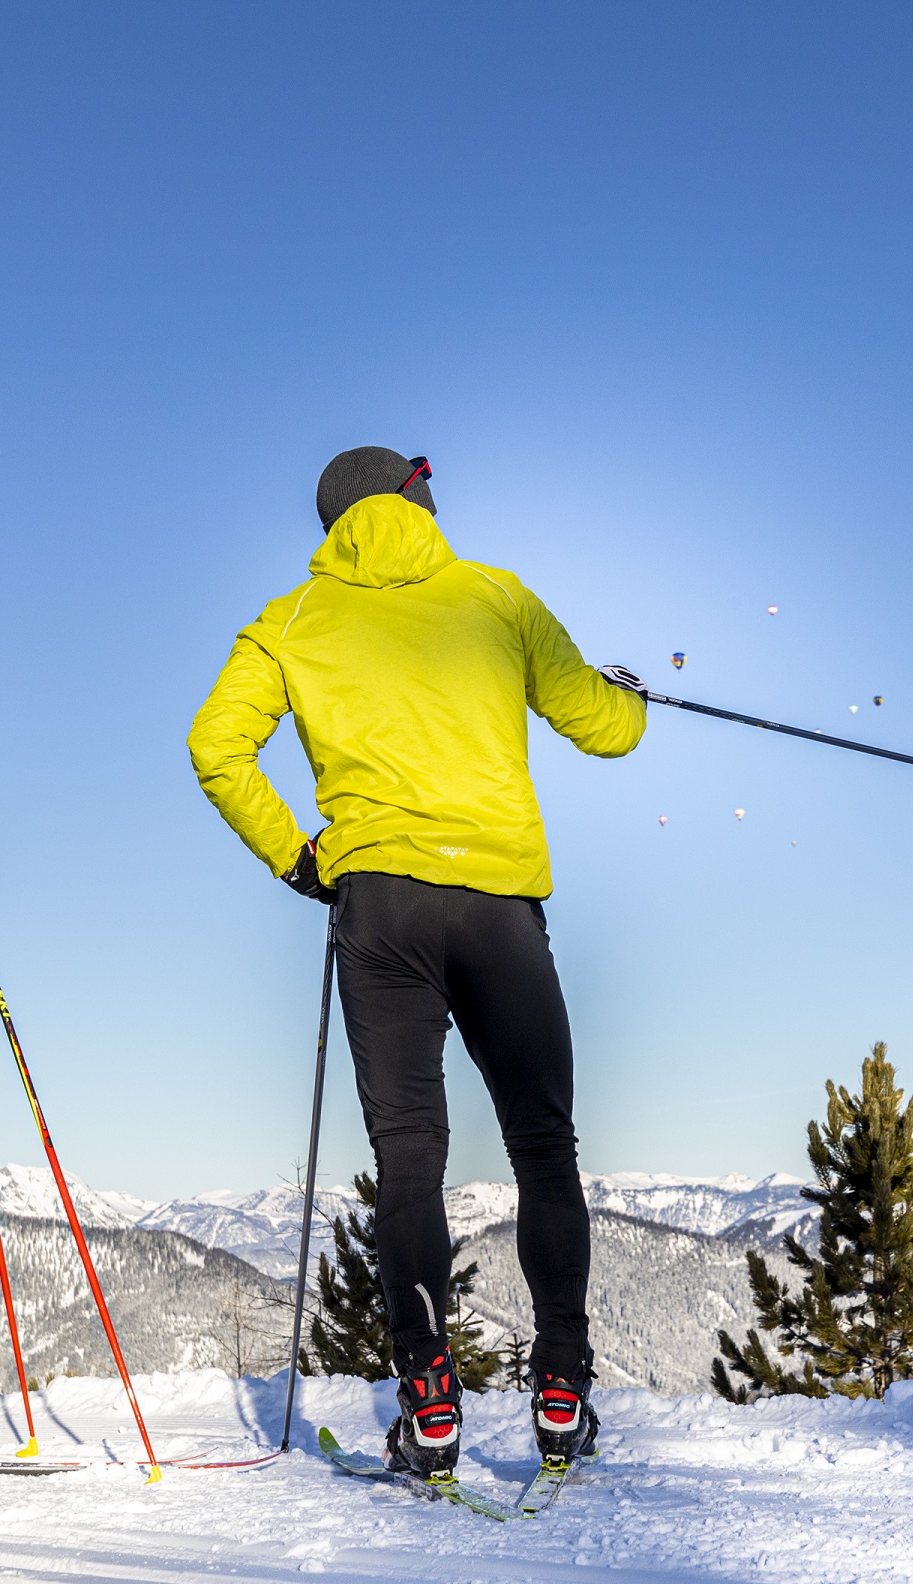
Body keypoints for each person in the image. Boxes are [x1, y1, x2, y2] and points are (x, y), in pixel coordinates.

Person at [189, 447, 645, 1478]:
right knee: (543, 1145)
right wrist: (629, 694)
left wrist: (297, 856)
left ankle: (429, 1398)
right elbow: (602, 727)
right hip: (498, 904)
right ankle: (562, 1386)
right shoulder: (496, 598)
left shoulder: (291, 619)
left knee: (409, 1154)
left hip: (380, 906)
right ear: (419, 502)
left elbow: (216, 745)